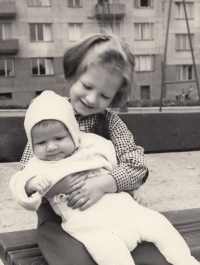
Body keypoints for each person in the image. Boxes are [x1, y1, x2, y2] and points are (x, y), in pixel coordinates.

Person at [18, 33, 171, 265]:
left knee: (150, 253)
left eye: (104, 95)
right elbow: (26, 171)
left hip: (110, 211)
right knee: (74, 258)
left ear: (114, 97)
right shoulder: (48, 116)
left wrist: (107, 183)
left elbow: (136, 164)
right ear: (74, 74)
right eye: (87, 86)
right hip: (61, 216)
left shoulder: (111, 123)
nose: (91, 98)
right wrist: (50, 186)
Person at [10, 90, 199, 265]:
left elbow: (118, 164)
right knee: (110, 254)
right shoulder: (37, 164)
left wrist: (127, 186)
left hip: (125, 210)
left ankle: (186, 261)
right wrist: (30, 185)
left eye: (59, 139)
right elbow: (18, 183)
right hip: (90, 224)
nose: (51, 147)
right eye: (41, 143)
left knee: (159, 225)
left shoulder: (92, 145)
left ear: (73, 134)